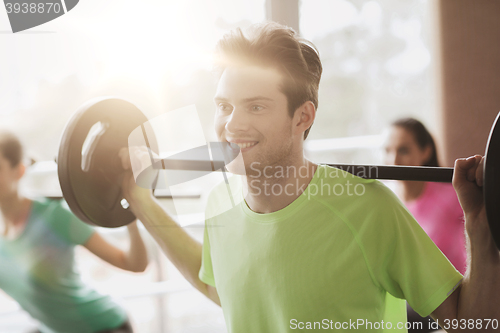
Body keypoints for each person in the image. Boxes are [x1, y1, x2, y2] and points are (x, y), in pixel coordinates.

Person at [120, 22, 500, 332]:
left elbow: (472, 323)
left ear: (302, 117)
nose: (231, 124)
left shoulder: (367, 208)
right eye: (224, 106)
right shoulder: (219, 204)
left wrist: (481, 227)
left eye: (255, 106)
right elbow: (216, 286)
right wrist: (139, 199)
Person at [0, 131, 149, 333]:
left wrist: (131, 213)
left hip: (103, 327)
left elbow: (135, 264)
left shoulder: (55, 217)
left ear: (19, 171)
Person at [384, 118, 468, 332]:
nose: (393, 160)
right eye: (387, 150)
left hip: (449, 299)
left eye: (403, 150)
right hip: (410, 300)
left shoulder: (451, 195)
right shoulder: (387, 202)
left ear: (425, 152)